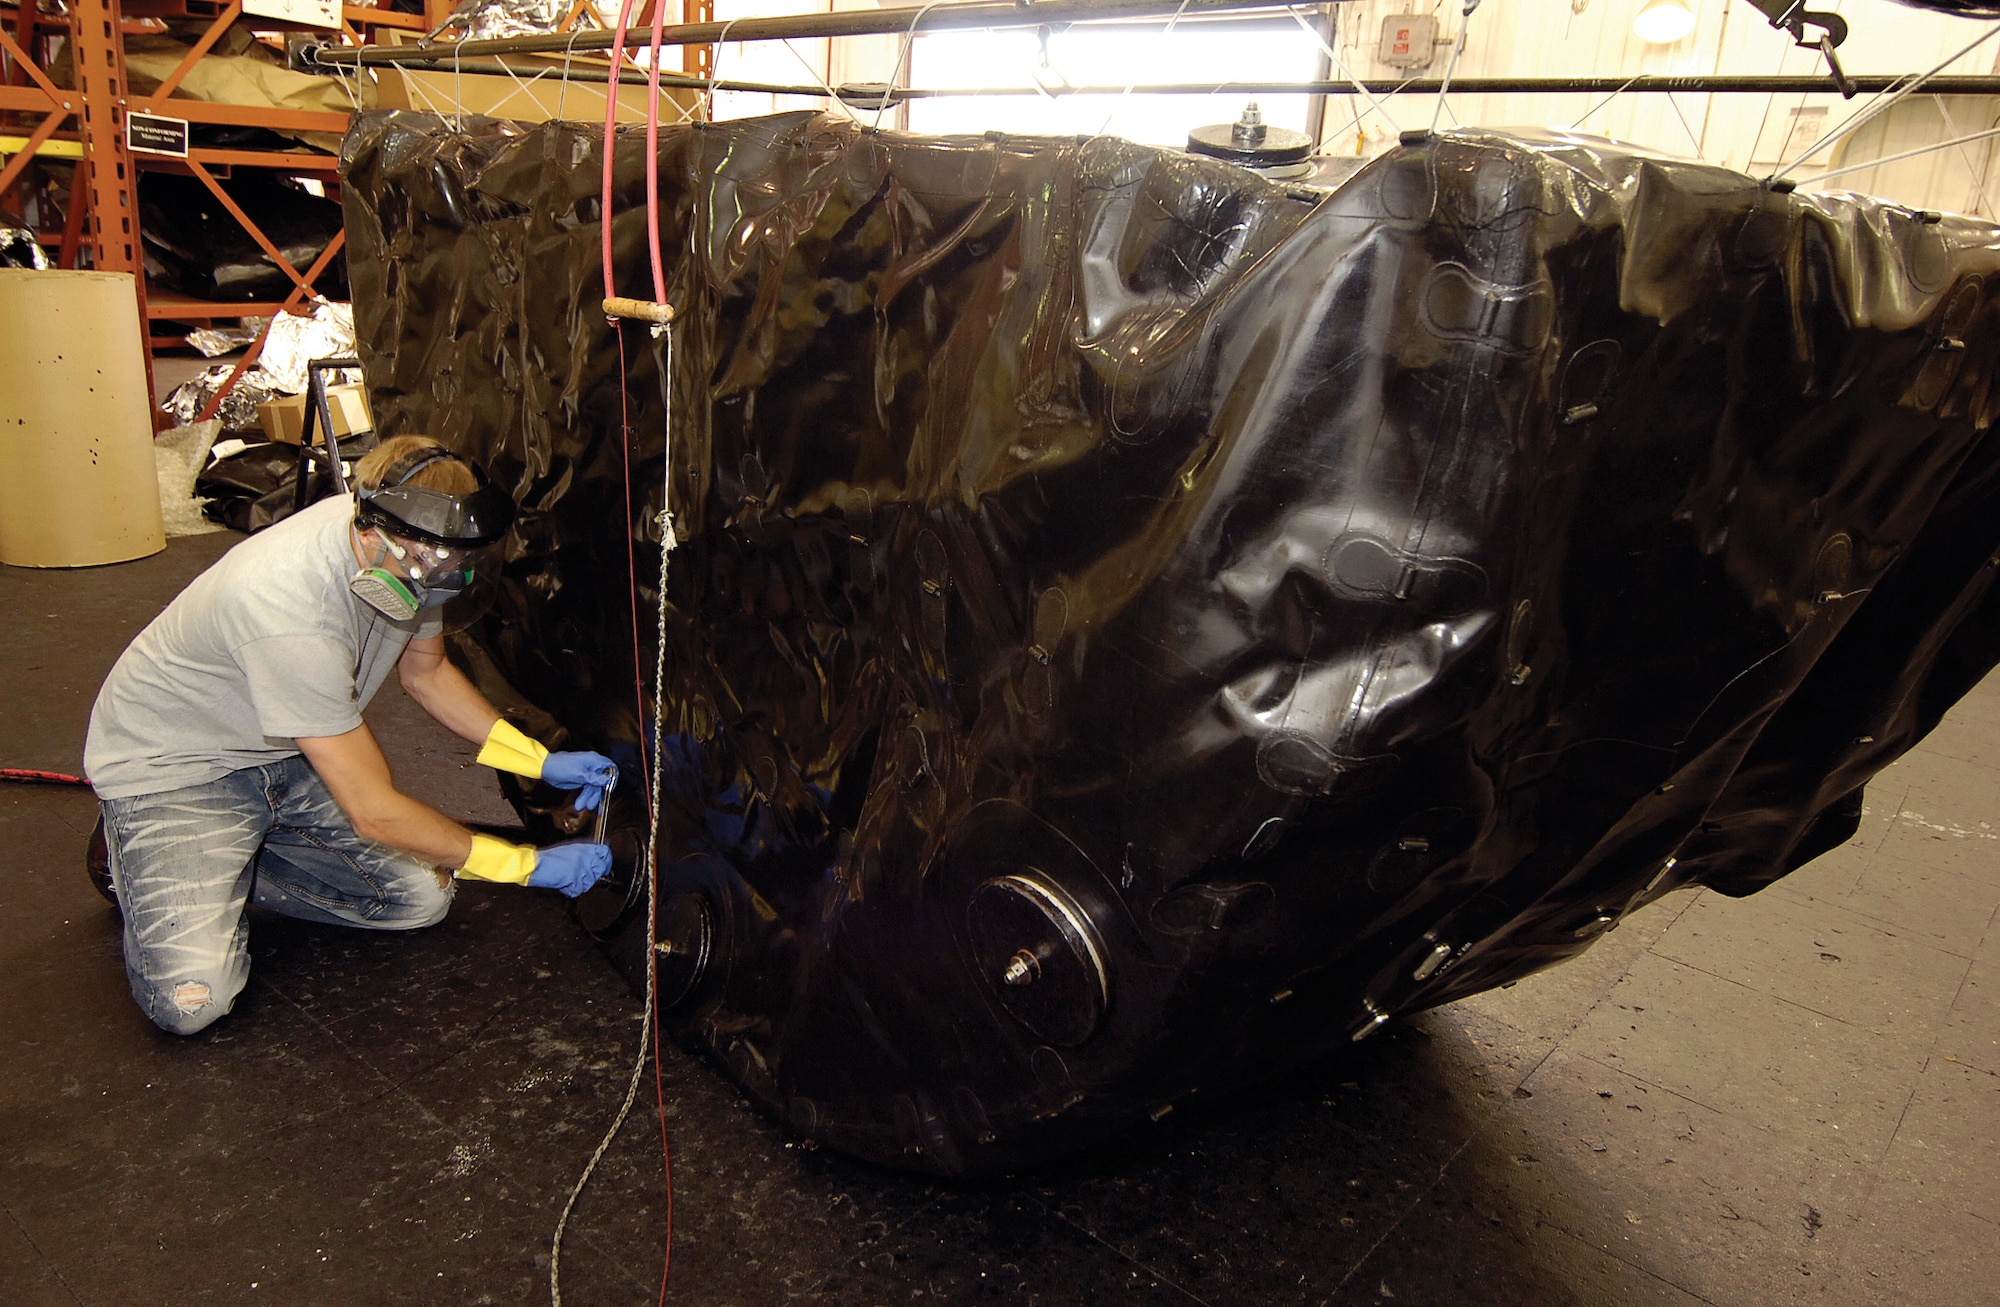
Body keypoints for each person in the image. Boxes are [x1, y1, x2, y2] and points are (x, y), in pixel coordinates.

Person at [84, 435, 616, 1035]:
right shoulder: (288, 610)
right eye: (433, 564)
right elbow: (375, 813)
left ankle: (235, 859)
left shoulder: (415, 551)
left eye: (457, 564)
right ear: (370, 532)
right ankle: (132, 847)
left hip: (286, 750)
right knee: (196, 1004)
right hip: (180, 769)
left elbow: (428, 672)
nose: (445, 579)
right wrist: (523, 867)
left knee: (419, 901)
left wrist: (539, 761)